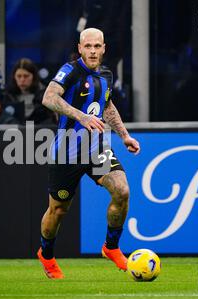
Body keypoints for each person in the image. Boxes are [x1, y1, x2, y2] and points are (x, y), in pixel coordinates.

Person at [37, 28, 140, 279]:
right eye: (88, 46)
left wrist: (124, 135)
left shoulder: (106, 74)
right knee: (58, 210)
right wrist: (81, 116)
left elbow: (107, 104)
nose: (93, 51)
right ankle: (47, 254)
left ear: (104, 48)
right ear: (80, 48)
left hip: (97, 149)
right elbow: (48, 98)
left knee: (122, 190)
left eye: (97, 46)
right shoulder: (70, 71)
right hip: (67, 153)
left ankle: (111, 247)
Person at [3, 58, 57, 124]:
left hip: (40, 131)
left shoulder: (45, 95)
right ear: (14, 77)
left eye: (26, 76)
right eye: (19, 76)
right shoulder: (8, 95)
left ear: (33, 77)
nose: (22, 80)